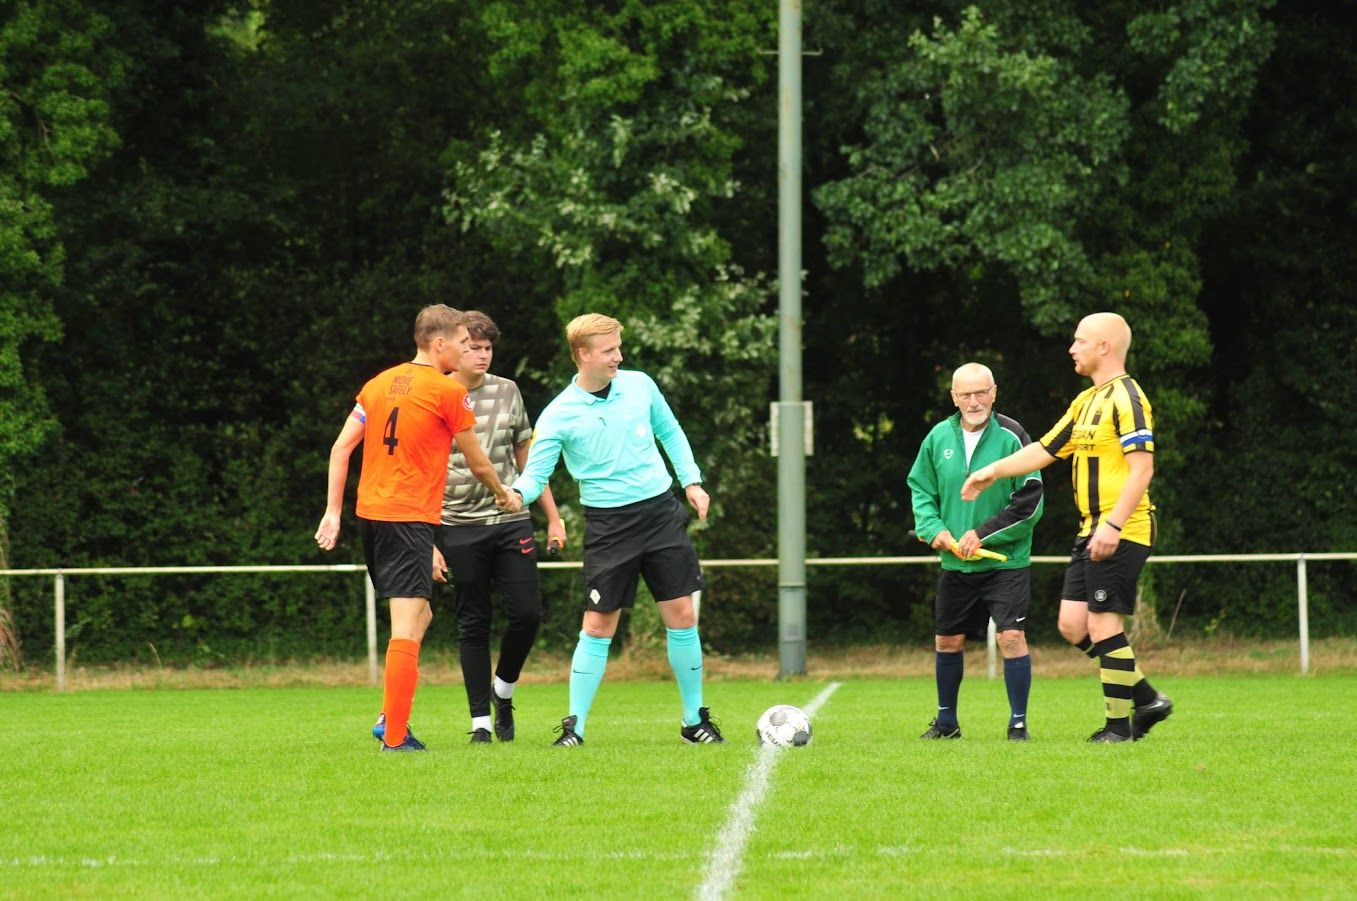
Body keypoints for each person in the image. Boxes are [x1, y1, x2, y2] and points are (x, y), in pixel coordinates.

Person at [316, 304, 521, 752]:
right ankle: (394, 736)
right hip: (406, 517)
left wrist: (333, 512)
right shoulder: (448, 392)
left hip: (374, 515)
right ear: (438, 343)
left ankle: (390, 715)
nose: (467, 350)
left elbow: (340, 448)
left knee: (422, 615)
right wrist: (503, 493)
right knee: (406, 627)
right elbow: (478, 462)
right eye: (462, 343)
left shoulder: (378, 384)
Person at [510, 313, 722, 746]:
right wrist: (516, 495)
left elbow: (670, 431)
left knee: (682, 615)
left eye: (618, 348)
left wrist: (692, 482)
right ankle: (574, 728)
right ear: (583, 355)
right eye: (609, 350)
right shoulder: (558, 414)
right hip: (609, 526)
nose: (618, 357)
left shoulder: (641, 385)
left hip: (661, 513)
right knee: (597, 624)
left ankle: (694, 720)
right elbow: (535, 476)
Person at [962, 312, 1173, 743]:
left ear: (1104, 347)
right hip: (1091, 529)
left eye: (1080, 341)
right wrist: (993, 471)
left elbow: (1142, 469)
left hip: (1122, 528)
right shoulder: (1086, 401)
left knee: (1103, 625)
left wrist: (1113, 525)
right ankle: (1147, 698)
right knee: (1073, 626)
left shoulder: (1128, 398)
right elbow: (1044, 449)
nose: (1071, 348)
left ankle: (1118, 729)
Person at [431, 311, 566, 744]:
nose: (482, 355)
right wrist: (429, 539)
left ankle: (503, 690)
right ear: (455, 348)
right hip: (457, 524)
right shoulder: (437, 392)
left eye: (488, 348)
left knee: (527, 614)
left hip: (511, 520)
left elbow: (528, 458)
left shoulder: (508, 390)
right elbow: (422, 468)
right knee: (473, 621)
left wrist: (553, 515)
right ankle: (480, 724)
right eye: (473, 347)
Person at [909, 363, 1044, 741]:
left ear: (994, 392)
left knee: (1011, 637)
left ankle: (1018, 725)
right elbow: (921, 490)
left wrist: (982, 535)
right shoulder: (937, 437)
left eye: (981, 392)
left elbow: (1030, 503)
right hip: (956, 563)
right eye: (965, 394)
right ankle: (946, 723)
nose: (973, 401)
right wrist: (934, 530)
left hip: (1007, 563)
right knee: (947, 640)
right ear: (954, 397)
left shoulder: (1014, 437)